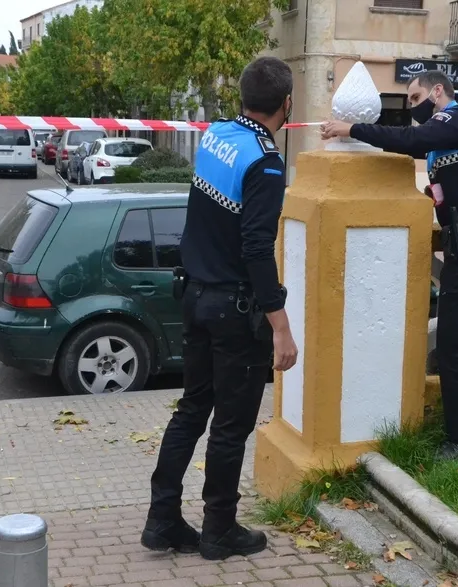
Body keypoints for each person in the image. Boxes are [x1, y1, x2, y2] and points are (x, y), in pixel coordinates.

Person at [141, 56, 299, 560]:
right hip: (233, 310)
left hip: (193, 296)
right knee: (231, 425)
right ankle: (219, 530)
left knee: (191, 410)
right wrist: (281, 326)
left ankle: (162, 519)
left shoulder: (216, 137)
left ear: (243, 98)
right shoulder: (266, 163)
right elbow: (256, 249)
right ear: (287, 105)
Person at [321, 69, 458, 460]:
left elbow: (410, 139)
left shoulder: (456, 119)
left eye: (415, 97)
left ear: (437, 92)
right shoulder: (448, 140)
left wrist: (351, 129)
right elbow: (414, 147)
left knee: (456, 347)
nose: (412, 106)